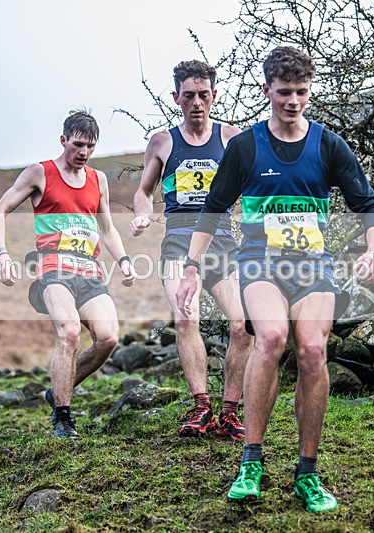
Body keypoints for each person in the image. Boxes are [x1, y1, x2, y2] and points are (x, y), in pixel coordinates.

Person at [176, 47, 374, 512]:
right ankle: (251, 460)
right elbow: (212, 210)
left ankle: (307, 472)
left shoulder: (329, 145)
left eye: (302, 92)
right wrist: (191, 267)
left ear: (310, 91)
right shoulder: (246, 147)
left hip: (313, 266)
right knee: (270, 337)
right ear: (267, 90)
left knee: (312, 350)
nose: (293, 101)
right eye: (284, 92)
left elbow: (367, 203)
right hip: (260, 264)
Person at [0, 110, 135, 438]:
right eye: (78, 144)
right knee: (68, 332)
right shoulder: (40, 173)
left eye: (91, 147)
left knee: (108, 338)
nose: (83, 152)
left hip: (90, 272)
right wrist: (1, 255)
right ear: (63, 140)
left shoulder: (97, 180)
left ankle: (58, 390)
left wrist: (123, 259)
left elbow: (107, 228)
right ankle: (63, 419)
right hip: (53, 269)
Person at [129, 60, 253, 440]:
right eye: (188, 96)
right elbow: (143, 191)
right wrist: (142, 215)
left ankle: (230, 413)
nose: (196, 103)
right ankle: (201, 407)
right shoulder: (162, 141)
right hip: (179, 240)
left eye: (203, 95)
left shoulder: (233, 138)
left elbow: (253, 189)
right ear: (176, 98)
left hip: (222, 240)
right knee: (186, 320)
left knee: (242, 326)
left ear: (214, 95)